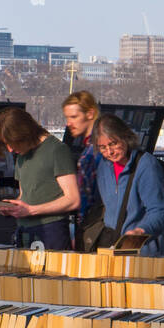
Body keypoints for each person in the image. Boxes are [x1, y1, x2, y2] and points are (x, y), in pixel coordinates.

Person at [0, 106, 79, 252]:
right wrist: (12, 208)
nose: (11, 149)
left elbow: (73, 199)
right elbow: (25, 195)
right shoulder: (21, 156)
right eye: (6, 145)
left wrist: (31, 210)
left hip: (51, 231)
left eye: (12, 143)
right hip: (25, 232)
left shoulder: (57, 150)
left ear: (25, 133)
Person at [90, 115, 164, 256]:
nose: (109, 152)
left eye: (113, 144)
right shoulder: (103, 165)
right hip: (114, 248)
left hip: (144, 251)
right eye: (102, 147)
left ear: (125, 136)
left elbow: (159, 213)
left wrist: (140, 231)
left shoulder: (146, 165)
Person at [61, 90, 100, 246]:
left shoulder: (93, 151)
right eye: (67, 117)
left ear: (90, 113)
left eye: (74, 117)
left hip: (94, 227)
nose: (68, 123)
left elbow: (87, 198)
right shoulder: (92, 148)